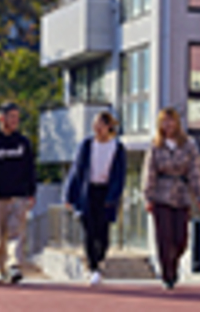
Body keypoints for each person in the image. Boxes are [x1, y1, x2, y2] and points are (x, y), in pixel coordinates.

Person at [142, 107, 200, 290]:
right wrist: (148, 196)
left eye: (171, 120)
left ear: (177, 123)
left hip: (181, 195)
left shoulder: (189, 145)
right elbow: (149, 172)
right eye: (164, 121)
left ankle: (174, 261)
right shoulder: (155, 146)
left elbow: (195, 172)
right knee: (164, 237)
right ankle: (168, 275)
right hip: (161, 195)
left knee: (180, 239)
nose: (168, 125)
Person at [63, 111, 126, 286]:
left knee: (102, 233)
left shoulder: (117, 147)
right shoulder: (86, 145)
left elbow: (120, 176)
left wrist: (113, 196)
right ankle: (93, 268)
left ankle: (100, 260)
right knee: (89, 230)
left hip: (106, 193)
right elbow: (76, 170)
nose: (97, 128)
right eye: (95, 124)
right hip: (88, 191)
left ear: (109, 127)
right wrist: (69, 195)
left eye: (101, 124)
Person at [0, 101, 36, 284]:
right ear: (1, 118)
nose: (15, 121)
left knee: (16, 233)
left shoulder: (23, 143)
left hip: (18, 196)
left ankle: (14, 266)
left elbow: (30, 169)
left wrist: (31, 192)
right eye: (11, 117)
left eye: (17, 117)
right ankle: (0, 270)